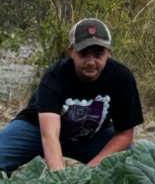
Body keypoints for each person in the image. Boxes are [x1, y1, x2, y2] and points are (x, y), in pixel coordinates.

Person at [0, 18, 144, 174]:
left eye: (98, 54)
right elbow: (49, 136)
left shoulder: (121, 77)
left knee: (133, 167)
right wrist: (61, 181)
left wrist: (90, 171)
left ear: (108, 52)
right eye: (83, 54)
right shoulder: (54, 77)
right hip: (37, 130)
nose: (90, 62)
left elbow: (124, 134)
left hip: (92, 134)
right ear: (71, 51)